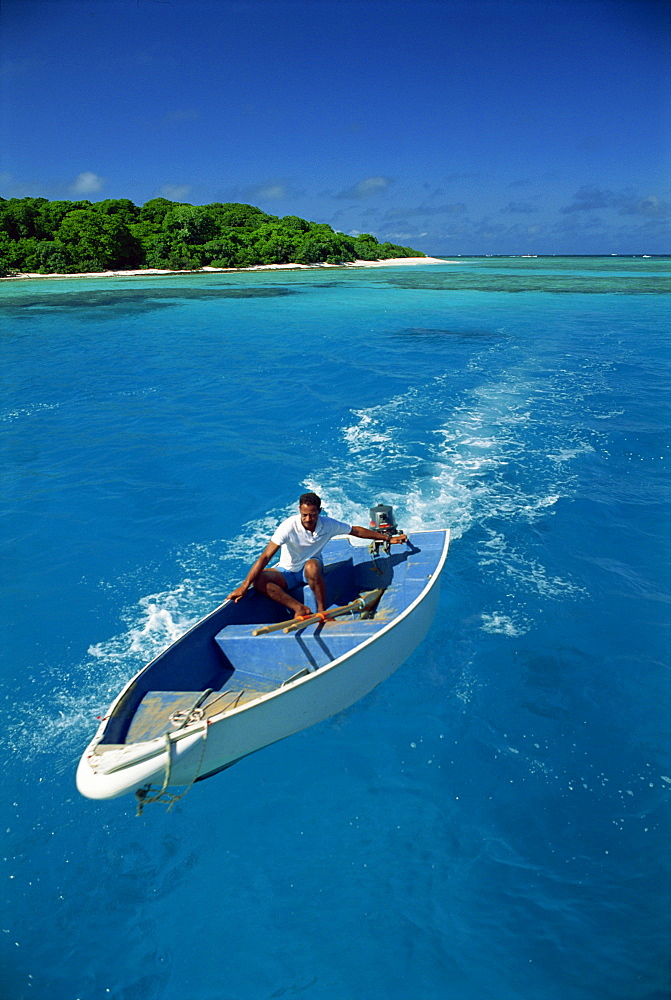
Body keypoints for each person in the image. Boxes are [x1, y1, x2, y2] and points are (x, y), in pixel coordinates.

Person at [227, 492, 408, 619]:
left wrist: (388, 538)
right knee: (259, 580)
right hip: (287, 571)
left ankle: (322, 612)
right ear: (299, 510)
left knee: (312, 566)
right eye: (304, 514)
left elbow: (356, 532)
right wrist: (244, 586)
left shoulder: (327, 525)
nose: (308, 519)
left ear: (319, 512)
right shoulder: (288, 527)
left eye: (312, 515)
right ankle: (300, 608)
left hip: (310, 570)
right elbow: (265, 557)